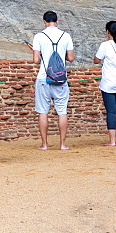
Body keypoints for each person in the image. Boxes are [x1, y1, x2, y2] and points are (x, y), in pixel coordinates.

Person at [32, 11, 75, 150]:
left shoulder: (39, 36)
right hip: (61, 79)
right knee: (62, 111)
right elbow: (71, 58)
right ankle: (62, 144)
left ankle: (44, 144)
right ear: (57, 21)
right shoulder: (66, 36)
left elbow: (35, 60)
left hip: (43, 78)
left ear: (44, 21)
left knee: (43, 111)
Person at [94, 20, 116, 146]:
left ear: (107, 32)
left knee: (111, 111)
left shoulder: (105, 45)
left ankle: (112, 141)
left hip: (108, 82)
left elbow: (96, 60)